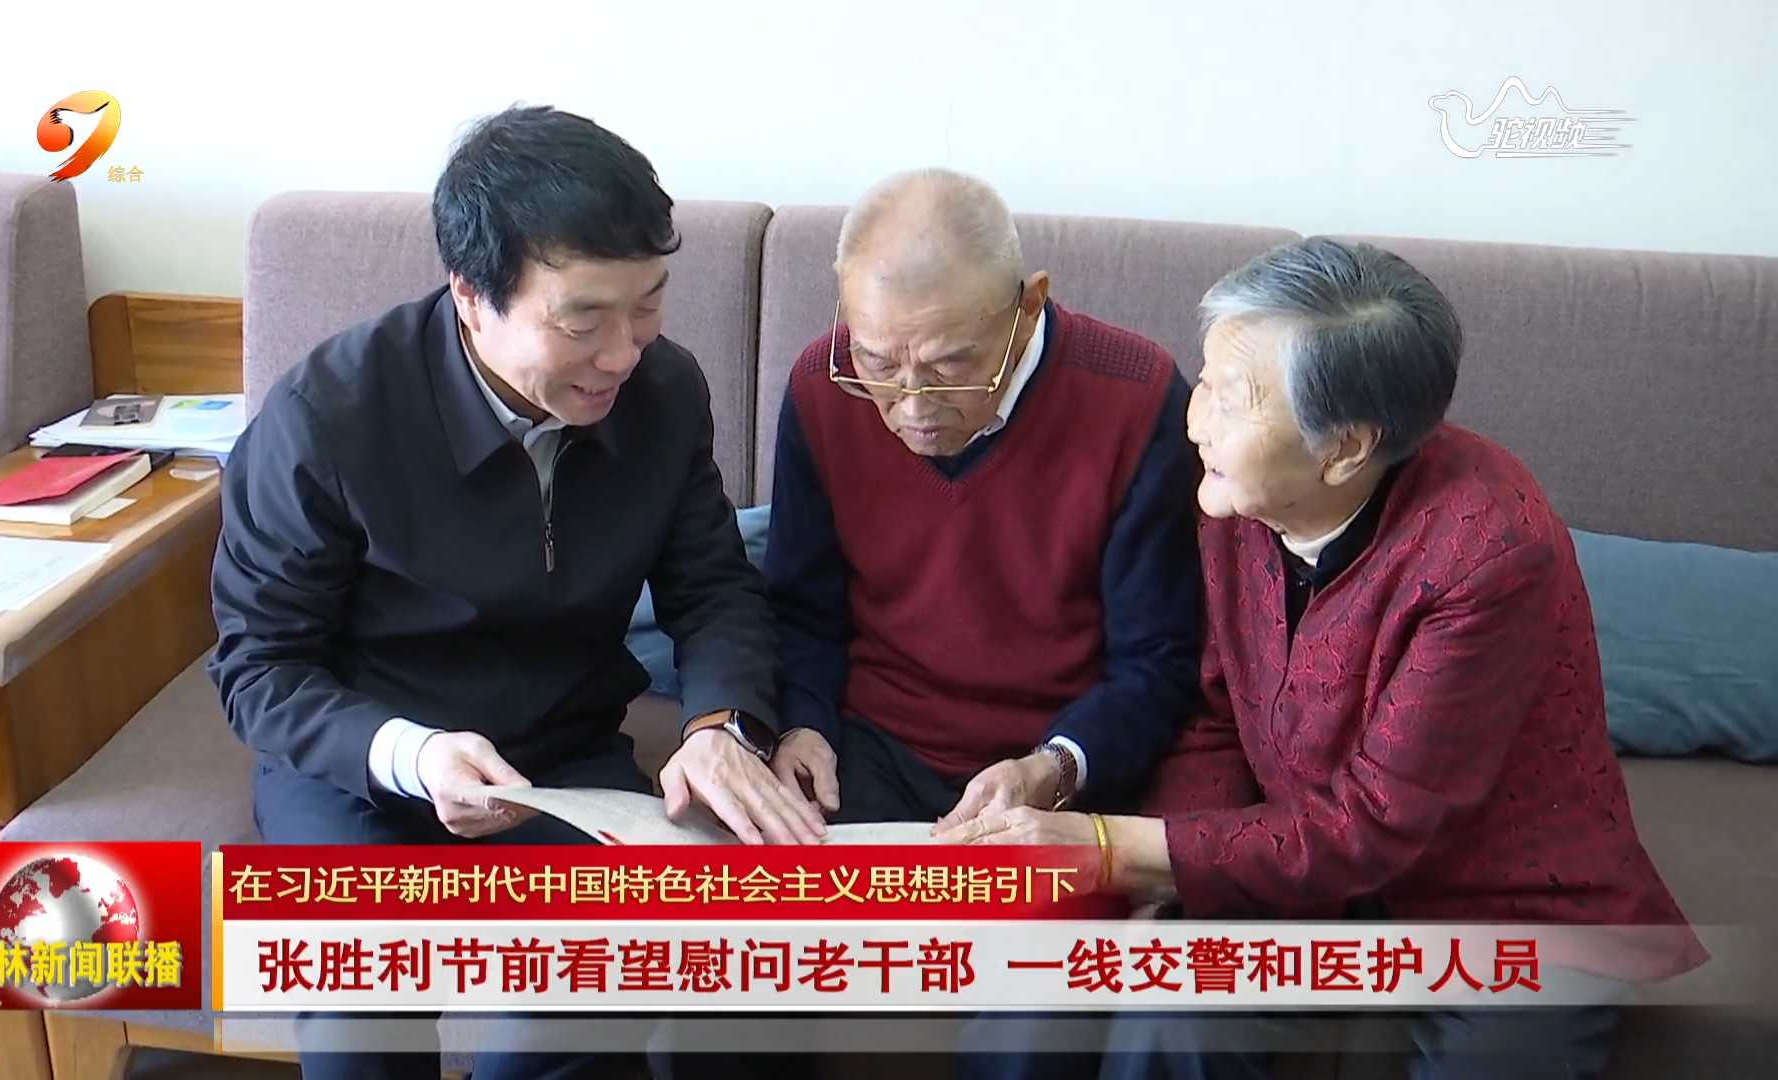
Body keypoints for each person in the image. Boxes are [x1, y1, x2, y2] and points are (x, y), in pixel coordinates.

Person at [942, 236, 1708, 1078]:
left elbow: (1375, 824)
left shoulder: (1490, 552)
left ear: (1343, 447)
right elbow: (1213, 714)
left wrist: (1115, 846)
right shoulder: (1237, 494)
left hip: (1499, 898)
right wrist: (1177, 876)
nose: (1194, 422)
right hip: (1292, 866)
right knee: (1168, 1010)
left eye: (1230, 401)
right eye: (1205, 382)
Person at [208, 104, 824, 1080]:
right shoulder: (327, 418)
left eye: (648, 305)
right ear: (470, 293)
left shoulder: (663, 394)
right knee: (358, 1007)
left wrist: (720, 725)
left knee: (591, 994)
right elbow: (259, 669)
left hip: (560, 751)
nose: (623, 352)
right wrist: (415, 757)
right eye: (582, 319)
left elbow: (713, 588)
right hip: (362, 763)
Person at [766, 167, 1204, 833]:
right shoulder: (821, 386)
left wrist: (1055, 765)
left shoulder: (1138, 399)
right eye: (879, 364)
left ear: (1029, 306)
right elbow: (801, 608)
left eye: (951, 365)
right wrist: (804, 724)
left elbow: (1159, 658)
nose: (913, 407)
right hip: (870, 749)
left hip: (1062, 758)